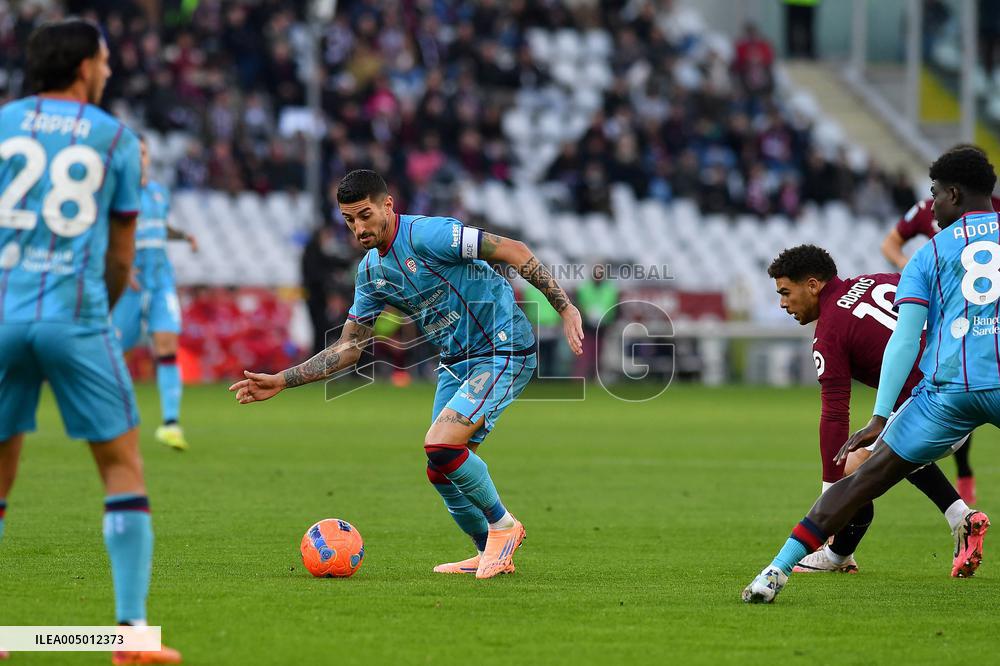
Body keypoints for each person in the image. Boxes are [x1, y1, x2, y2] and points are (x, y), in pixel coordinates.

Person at [229, 169, 584, 579]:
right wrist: (282, 380)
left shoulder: (430, 235)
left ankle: (504, 526)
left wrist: (565, 307)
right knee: (440, 469)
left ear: (387, 205)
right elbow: (348, 348)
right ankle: (487, 550)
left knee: (441, 444)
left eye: (365, 215)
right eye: (349, 220)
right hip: (456, 361)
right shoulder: (370, 273)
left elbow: (513, 249)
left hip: (502, 348)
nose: (358, 228)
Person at [743, 145, 998, 604]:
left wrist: (879, 417)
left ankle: (777, 569)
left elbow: (903, 340)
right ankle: (956, 516)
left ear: (954, 194)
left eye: (935, 195)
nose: (930, 206)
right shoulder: (876, 278)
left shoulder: (928, 254)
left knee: (858, 475)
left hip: (945, 393)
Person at [0, 19, 180, 663]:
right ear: (82, 67)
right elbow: (121, 255)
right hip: (74, 316)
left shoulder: (3, 124)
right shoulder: (115, 139)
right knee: (121, 466)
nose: (107, 70)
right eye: (103, 61)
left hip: (3, 314)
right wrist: (94, 308)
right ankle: (129, 638)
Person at [767, 245, 976, 575]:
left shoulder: (829, 332)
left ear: (812, 285)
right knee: (894, 442)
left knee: (852, 467)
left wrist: (829, 496)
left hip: (935, 411)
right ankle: (960, 516)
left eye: (785, 292)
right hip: (970, 384)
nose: (782, 303)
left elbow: (835, 414)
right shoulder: (877, 279)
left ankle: (838, 556)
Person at [880, 190, 1000, 503]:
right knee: (956, 385)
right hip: (944, 312)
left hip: (983, 312)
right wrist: (910, 267)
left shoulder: (991, 209)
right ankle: (962, 475)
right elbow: (889, 243)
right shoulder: (924, 211)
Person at [112, 135, 197, 452]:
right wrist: (121, 268)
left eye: (143, 152)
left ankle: (170, 424)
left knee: (167, 344)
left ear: (148, 157)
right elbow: (104, 234)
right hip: (129, 285)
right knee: (119, 354)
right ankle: (115, 421)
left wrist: (184, 236)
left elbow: (159, 227)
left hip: (161, 281)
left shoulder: (159, 192)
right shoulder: (116, 194)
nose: (139, 158)